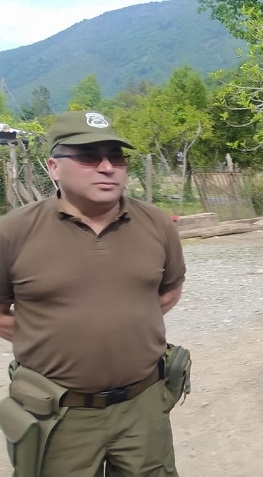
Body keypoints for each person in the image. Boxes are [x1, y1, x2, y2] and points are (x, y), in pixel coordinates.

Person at [0, 111, 187, 476]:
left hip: (142, 407)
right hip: (58, 415)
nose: (107, 167)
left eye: (116, 157)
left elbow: (168, 292)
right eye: (89, 157)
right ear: (54, 166)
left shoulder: (157, 224)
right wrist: (48, 336)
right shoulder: (14, 232)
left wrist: (120, 323)